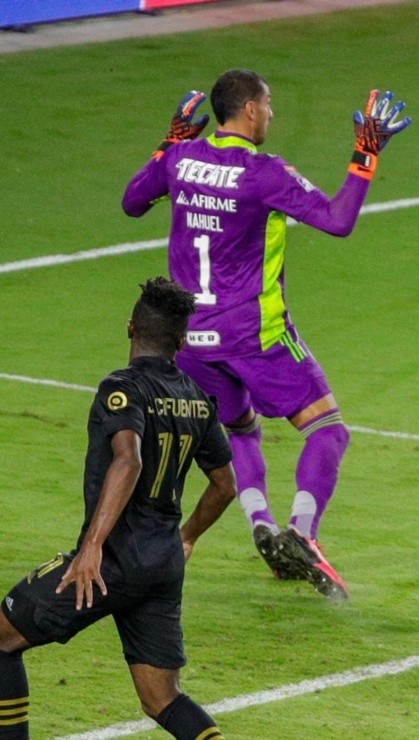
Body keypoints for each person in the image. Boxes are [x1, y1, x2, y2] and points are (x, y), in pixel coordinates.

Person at [122, 69, 411, 600]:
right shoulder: (263, 173)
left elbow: (132, 202)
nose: (273, 114)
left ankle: (261, 524)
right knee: (329, 429)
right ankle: (302, 533)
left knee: (242, 430)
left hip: (192, 344)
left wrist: (168, 143)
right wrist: (365, 153)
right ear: (250, 110)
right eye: (270, 104)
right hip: (255, 336)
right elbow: (338, 219)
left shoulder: (181, 159)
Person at [0, 278, 236, 740]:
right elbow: (225, 485)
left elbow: (129, 459)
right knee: (161, 698)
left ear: (130, 328)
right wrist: (186, 536)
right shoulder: (196, 399)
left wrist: (91, 547)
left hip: (110, 562)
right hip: (163, 563)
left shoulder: (122, 388)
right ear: (181, 342)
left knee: (2, 639)